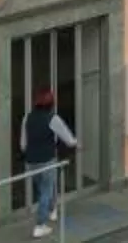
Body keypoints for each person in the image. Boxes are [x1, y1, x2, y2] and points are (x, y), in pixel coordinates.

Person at [20, 86, 78, 237]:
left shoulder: (28, 117)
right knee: (46, 191)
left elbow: (23, 143)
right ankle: (40, 225)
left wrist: (27, 151)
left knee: (44, 187)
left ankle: (52, 210)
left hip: (31, 161)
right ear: (52, 103)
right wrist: (75, 143)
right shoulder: (53, 118)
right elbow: (68, 138)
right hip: (47, 160)